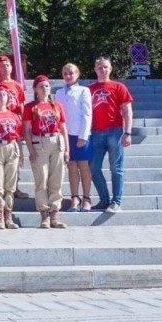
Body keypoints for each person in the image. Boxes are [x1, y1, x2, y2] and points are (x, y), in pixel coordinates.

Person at [88, 57, 133, 213]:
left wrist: (128, 132)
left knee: (116, 168)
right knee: (93, 168)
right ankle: (104, 200)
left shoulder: (119, 87)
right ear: (95, 69)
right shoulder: (89, 89)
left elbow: (128, 111)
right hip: (95, 133)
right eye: (99, 67)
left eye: (105, 67)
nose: (103, 69)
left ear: (111, 68)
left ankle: (116, 202)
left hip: (115, 131)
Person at [24, 75, 68, 229]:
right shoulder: (30, 107)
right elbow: (27, 130)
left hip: (56, 141)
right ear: (35, 89)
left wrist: (67, 149)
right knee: (41, 179)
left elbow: (63, 128)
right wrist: (30, 150)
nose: (45, 89)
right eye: (41, 86)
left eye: (47, 86)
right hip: (39, 142)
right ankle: (44, 214)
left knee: (56, 179)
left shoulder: (56, 105)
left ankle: (55, 213)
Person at [55, 62, 94, 212]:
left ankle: (86, 198)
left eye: (71, 73)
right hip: (66, 134)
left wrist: (83, 135)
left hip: (81, 133)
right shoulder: (59, 93)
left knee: (83, 166)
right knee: (71, 166)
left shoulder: (84, 90)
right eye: (65, 73)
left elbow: (87, 114)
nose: (68, 76)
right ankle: (74, 198)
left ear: (77, 74)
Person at [0, 87, 24, 229]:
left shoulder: (14, 116)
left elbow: (18, 136)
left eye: (5, 95)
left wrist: (20, 154)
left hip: (12, 147)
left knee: (10, 185)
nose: (2, 97)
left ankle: (9, 216)